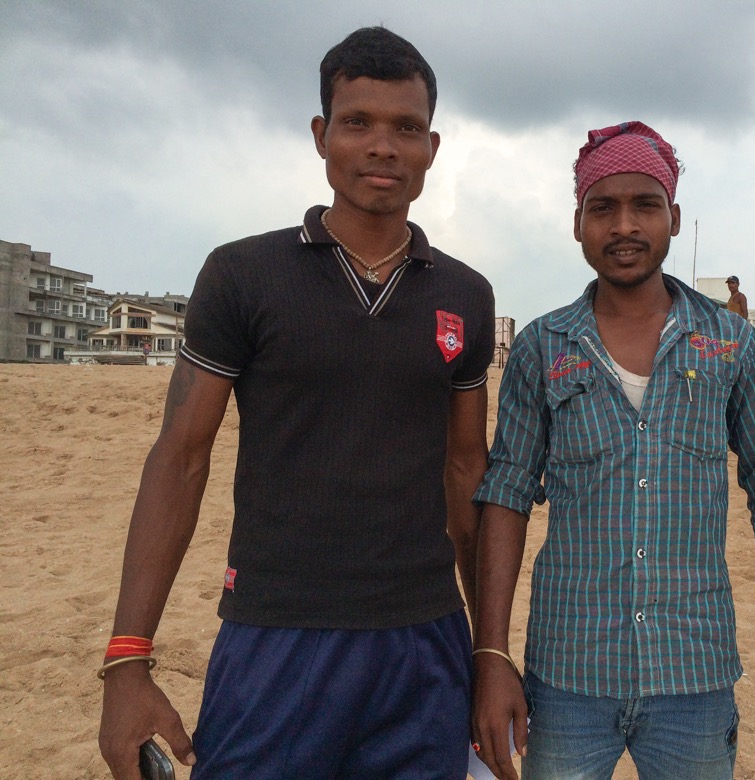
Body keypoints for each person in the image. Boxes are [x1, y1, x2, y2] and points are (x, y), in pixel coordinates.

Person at [98, 27, 495, 779]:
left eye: (406, 128)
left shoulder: (464, 294)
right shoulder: (244, 274)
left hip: (425, 634)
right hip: (277, 633)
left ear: (433, 147)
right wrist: (127, 660)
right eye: (358, 123)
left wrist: (491, 650)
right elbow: (180, 459)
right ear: (321, 136)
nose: (383, 146)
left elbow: (466, 471)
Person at [470, 121, 755, 780]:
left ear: (675, 217)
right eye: (602, 207)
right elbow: (505, 498)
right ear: (578, 223)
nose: (624, 225)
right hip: (567, 676)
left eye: (645, 205)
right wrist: (492, 652)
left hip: (693, 675)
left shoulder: (729, 346)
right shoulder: (542, 348)